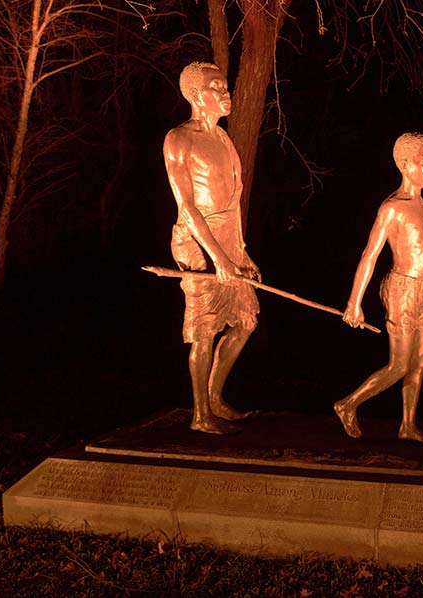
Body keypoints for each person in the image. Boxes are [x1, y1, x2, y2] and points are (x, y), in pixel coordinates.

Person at [334, 132, 423, 445]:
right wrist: (354, 303)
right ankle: (348, 404)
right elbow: (370, 255)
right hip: (402, 289)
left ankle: (407, 425)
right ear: (406, 165)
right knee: (399, 364)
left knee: (421, 360)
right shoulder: (392, 208)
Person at [163, 62, 260, 434]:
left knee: (246, 321)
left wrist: (241, 252)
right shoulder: (179, 139)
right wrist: (217, 258)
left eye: (225, 87)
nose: (225, 93)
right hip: (198, 244)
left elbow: (233, 203)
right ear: (194, 95)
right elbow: (187, 206)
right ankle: (200, 414)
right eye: (215, 88)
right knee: (204, 330)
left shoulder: (223, 139)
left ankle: (216, 398)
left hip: (229, 238)